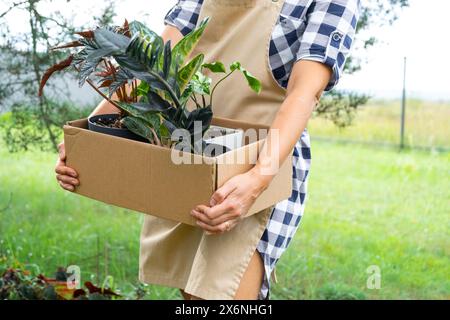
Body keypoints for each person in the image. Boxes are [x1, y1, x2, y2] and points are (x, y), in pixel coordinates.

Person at [55, 0, 360, 300]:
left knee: (220, 292)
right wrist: (85, 138)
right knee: (193, 293)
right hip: (186, 155)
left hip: (260, 163)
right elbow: (152, 68)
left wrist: (257, 180)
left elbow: (305, 93)